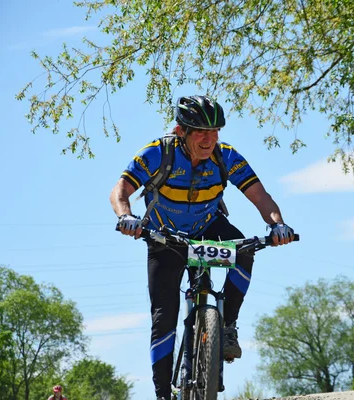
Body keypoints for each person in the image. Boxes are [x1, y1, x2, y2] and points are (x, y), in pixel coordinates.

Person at [110, 95, 295, 400]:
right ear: (182, 131)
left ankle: (228, 326)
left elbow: (261, 196)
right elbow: (120, 190)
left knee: (245, 250)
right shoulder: (158, 153)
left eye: (215, 132)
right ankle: (162, 395)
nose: (209, 139)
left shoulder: (226, 157)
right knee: (163, 316)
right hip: (164, 236)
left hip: (207, 227)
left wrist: (277, 224)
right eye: (201, 132)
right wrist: (126, 216)